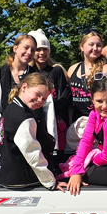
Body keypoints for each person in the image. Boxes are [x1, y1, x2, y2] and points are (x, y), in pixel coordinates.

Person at [0, 73, 58, 190]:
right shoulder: (23, 118)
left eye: (44, 99)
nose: (39, 100)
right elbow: (33, 155)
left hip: (1, 176)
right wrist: (51, 182)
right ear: (24, 87)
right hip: (19, 181)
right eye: (37, 94)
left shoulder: (11, 108)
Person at [31, 29, 71, 157]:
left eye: (45, 49)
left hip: (55, 123)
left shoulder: (57, 71)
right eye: (38, 49)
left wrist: (54, 110)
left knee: (55, 158)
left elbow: (64, 96)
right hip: (35, 122)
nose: (42, 53)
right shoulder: (28, 72)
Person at [67, 28, 105, 122]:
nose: (95, 48)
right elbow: (69, 102)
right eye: (91, 44)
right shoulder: (72, 70)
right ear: (82, 47)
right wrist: (70, 122)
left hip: (96, 122)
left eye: (98, 45)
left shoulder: (105, 69)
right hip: (76, 123)